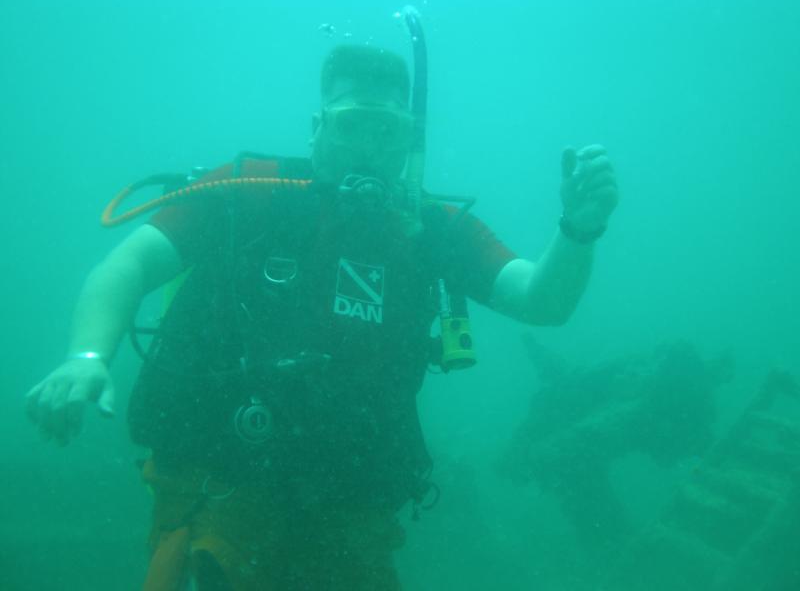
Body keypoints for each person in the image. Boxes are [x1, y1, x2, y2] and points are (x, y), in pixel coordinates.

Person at [25, 44, 618, 590]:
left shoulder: (434, 229)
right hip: (219, 471)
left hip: (351, 495)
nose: (368, 146)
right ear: (317, 128)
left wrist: (579, 230)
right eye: (351, 123)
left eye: (388, 131)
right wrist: (85, 357)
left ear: (410, 143)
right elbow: (127, 266)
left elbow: (541, 300)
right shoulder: (249, 192)